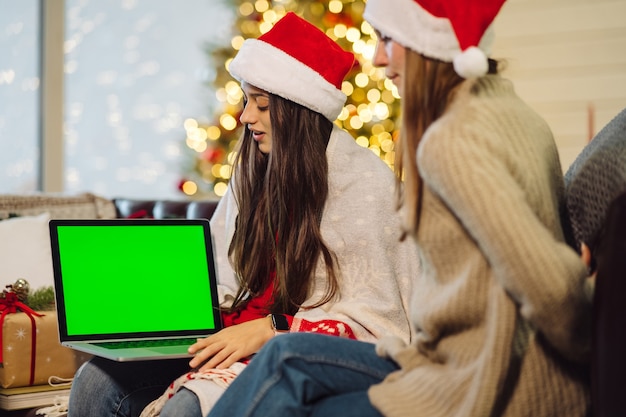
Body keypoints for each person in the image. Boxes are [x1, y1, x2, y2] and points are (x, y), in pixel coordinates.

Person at [205, 0, 594, 416]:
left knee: (283, 363)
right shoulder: (518, 116)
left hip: (475, 376)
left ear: (426, 40)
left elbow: (552, 290)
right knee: (287, 358)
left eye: (389, 38)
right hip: (459, 359)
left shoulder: (452, 139)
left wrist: (593, 317)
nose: (377, 58)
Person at [67, 11, 419, 417]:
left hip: (287, 343)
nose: (247, 116)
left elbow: (374, 320)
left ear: (298, 110)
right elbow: (223, 274)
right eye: (247, 100)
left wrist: (273, 329)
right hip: (236, 327)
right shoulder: (253, 168)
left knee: (186, 408)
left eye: (262, 104)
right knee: (95, 383)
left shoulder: (365, 186)